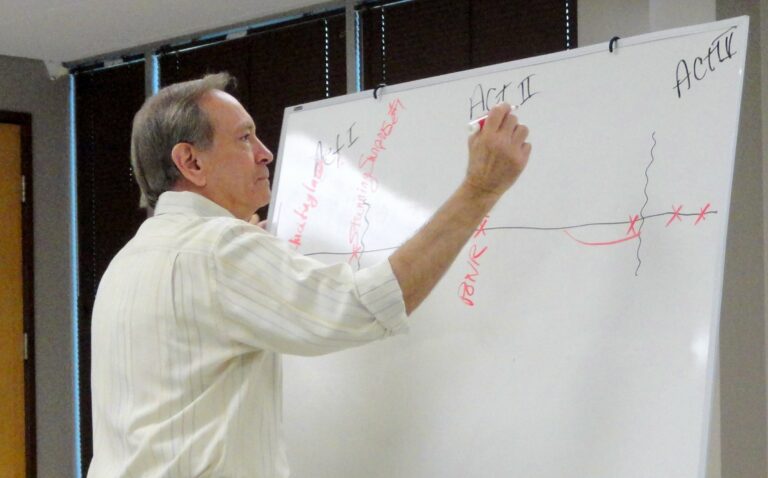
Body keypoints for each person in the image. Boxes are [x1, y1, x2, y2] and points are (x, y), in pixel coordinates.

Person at [87, 72, 530, 477]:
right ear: (191, 162)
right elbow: (362, 307)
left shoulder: (128, 262)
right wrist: (480, 190)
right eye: (245, 139)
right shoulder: (219, 251)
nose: (266, 154)